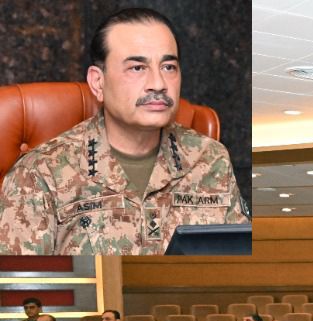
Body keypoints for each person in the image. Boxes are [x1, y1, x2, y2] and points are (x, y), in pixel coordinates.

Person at [0, 7, 247, 255]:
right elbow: (21, 278)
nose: (158, 84)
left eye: (168, 67)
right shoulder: (41, 173)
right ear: (98, 82)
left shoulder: (211, 159)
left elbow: (239, 265)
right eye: (137, 68)